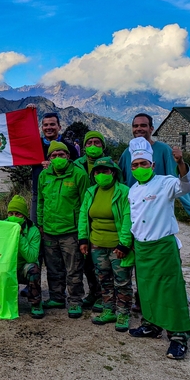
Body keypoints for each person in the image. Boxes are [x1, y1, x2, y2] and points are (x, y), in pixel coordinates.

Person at [126, 137, 190, 360]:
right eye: (135, 165)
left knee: (171, 290)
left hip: (163, 246)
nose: (139, 169)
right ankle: (151, 325)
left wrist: (181, 163)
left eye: (143, 164)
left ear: (152, 165)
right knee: (146, 289)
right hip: (143, 248)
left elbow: (186, 186)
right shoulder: (132, 190)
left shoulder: (165, 183)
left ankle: (178, 337)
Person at [78, 157, 133, 332]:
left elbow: (128, 218)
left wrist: (124, 244)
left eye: (105, 171)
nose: (101, 174)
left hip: (118, 246)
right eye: (98, 171)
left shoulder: (124, 192)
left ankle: (123, 313)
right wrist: (83, 239)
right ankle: (109, 310)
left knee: (122, 281)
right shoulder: (90, 192)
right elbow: (83, 217)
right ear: (93, 174)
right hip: (96, 245)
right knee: (104, 279)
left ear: (113, 173)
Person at [119, 113, 190, 224]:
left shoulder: (163, 150)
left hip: (158, 208)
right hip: (134, 208)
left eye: (143, 125)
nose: (138, 129)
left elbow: (179, 182)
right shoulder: (127, 153)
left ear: (151, 129)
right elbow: (120, 181)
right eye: (135, 126)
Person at [37, 141, 89, 319]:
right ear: (49, 158)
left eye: (61, 155)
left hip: (71, 231)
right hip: (50, 230)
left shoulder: (79, 175)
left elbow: (85, 205)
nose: (58, 158)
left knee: (73, 268)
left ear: (68, 156)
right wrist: (41, 223)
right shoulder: (44, 176)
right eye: (54, 155)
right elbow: (41, 201)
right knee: (53, 268)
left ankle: (75, 301)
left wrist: (83, 232)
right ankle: (57, 297)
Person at [74, 130, 107, 312]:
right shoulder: (77, 165)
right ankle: (93, 292)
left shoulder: (109, 165)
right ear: (84, 146)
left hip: (102, 217)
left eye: (97, 142)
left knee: (101, 261)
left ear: (103, 146)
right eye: (89, 143)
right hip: (83, 216)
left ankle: (105, 295)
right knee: (86, 259)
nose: (93, 146)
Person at [28, 110, 79, 224]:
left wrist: (57, 164)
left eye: (52, 124)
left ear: (59, 127)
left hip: (63, 195)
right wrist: (27, 113)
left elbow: (76, 169)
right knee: (36, 227)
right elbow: (19, 136)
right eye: (45, 125)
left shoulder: (69, 148)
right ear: (42, 128)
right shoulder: (35, 145)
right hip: (38, 194)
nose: (48, 127)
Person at [6, 195, 44, 319]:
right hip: (8, 267)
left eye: (18, 214)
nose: (13, 217)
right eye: (11, 213)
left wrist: (20, 236)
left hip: (23, 269)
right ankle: (6, 301)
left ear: (24, 216)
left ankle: (36, 303)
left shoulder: (34, 231)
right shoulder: (2, 227)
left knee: (33, 268)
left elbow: (32, 257)